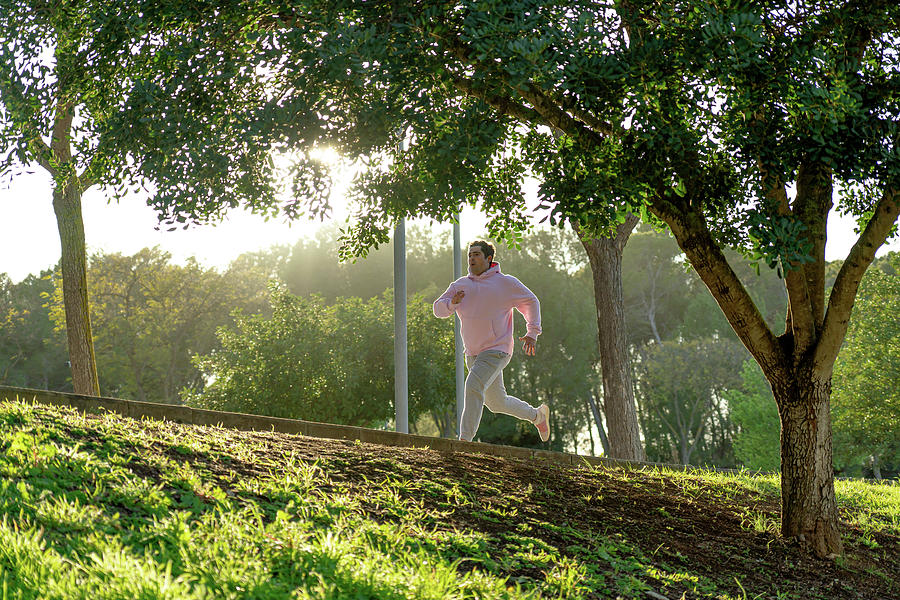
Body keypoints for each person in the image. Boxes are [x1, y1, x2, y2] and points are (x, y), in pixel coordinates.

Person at [433, 240, 550, 443]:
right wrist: (452, 303)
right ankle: (537, 415)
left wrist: (532, 331)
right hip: (473, 353)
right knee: (496, 402)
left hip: (497, 349)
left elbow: (531, 301)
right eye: (470, 255)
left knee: (472, 385)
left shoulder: (505, 283)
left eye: (477, 254)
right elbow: (438, 309)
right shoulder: (461, 285)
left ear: (489, 258)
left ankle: (465, 441)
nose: (471, 258)